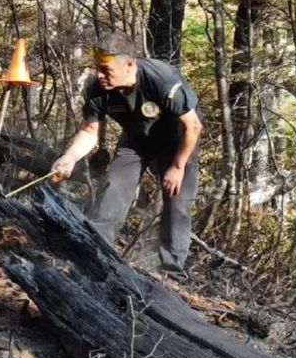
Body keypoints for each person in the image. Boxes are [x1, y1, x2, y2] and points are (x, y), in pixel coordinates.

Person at [51, 31, 203, 279]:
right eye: (97, 68)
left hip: (177, 139)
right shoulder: (97, 89)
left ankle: (172, 274)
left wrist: (177, 167)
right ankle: (94, 253)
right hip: (136, 139)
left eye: (106, 70)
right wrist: (69, 158)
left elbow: (193, 126)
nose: (100, 76)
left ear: (130, 64)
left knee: (177, 200)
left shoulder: (161, 79)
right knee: (114, 186)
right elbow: (90, 131)